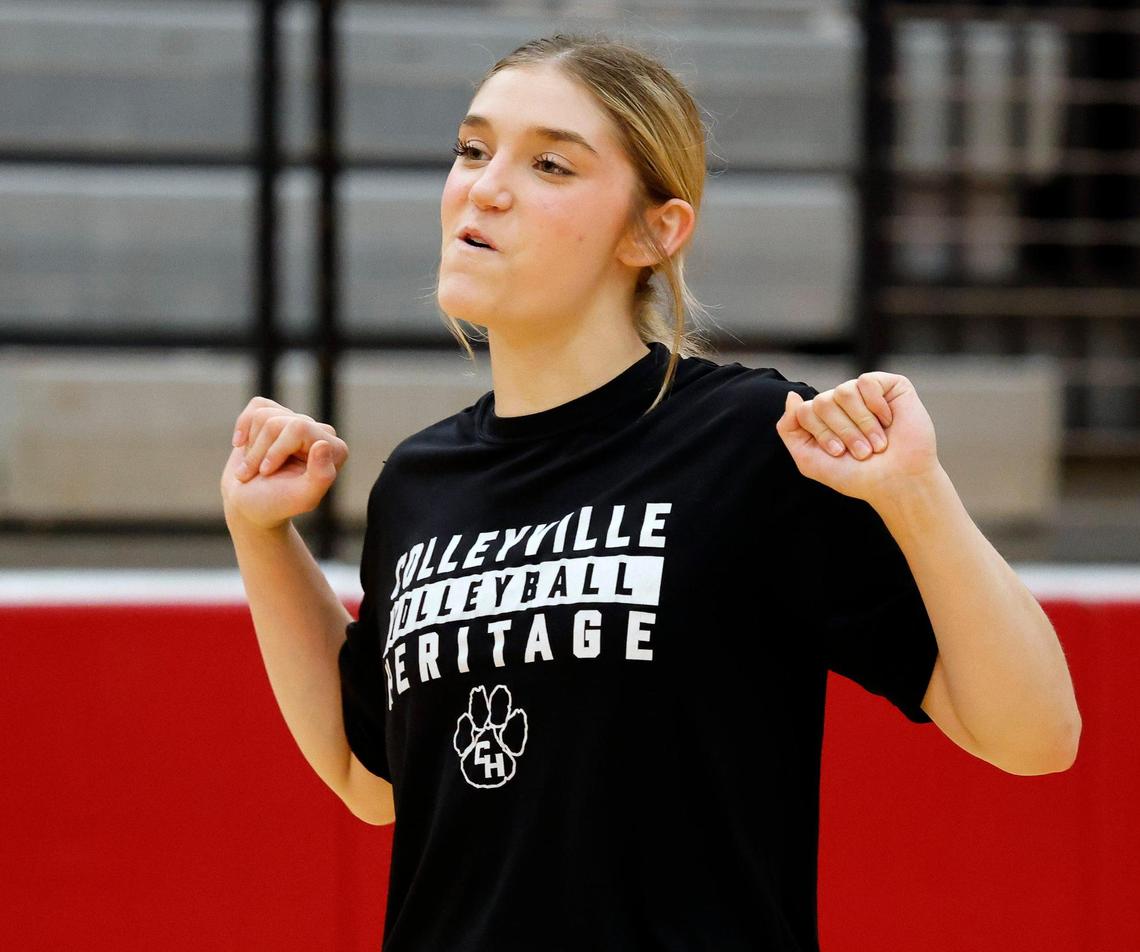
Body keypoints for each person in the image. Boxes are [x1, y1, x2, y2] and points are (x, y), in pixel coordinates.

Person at [220, 33, 1081, 952]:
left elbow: (1036, 736)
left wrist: (918, 497)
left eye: (551, 164)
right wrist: (262, 536)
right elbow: (373, 780)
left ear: (653, 231)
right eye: (473, 150)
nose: (485, 186)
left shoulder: (751, 440)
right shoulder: (420, 483)